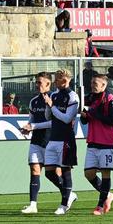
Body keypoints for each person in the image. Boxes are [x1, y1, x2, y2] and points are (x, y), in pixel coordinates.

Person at [80, 74, 113, 216]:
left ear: (104, 85)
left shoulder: (110, 99)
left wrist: (93, 112)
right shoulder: (89, 98)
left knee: (105, 173)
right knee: (88, 173)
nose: (93, 85)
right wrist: (85, 116)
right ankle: (108, 195)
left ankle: (100, 205)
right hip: (92, 141)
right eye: (92, 82)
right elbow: (85, 120)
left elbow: (112, 120)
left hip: (106, 143)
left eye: (95, 83)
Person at [43, 70, 80, 216]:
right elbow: (48, 117)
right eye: (57, 79)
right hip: (53, 138)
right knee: (49, 172)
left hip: (66, 139)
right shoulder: (53, 95)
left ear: (67, 80)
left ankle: (64, 204)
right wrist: (48, 106)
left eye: (60, 79)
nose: (58, 81)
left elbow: (67, 118)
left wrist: (52, 106)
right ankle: (69, 194)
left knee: (65, 171)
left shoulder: (72, 96)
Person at [19, 73, 53, 214]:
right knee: (34, 170)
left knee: (54, 174)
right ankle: (33, 204)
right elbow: (31, 120)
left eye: (40, 82)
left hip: (51, 140)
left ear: (48, 84)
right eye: (36, 82)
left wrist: (33, 127)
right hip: (36, 141)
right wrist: (27, 128)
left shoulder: (54, 99)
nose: (37, 85)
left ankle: (68, 194)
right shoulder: (34, 101)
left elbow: (54, 122)